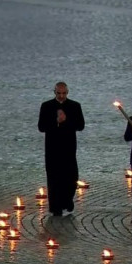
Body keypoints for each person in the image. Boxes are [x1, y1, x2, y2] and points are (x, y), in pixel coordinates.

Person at [37, 82, 85, 217]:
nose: (62, 96)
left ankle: (67, 201)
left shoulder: (75, 106)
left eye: (64, 93)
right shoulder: (46, 106)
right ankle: (55, 207)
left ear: (67, 92)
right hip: (52, 148)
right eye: (59, 93)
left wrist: (66, 120)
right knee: (53, 178)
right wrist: (56, 121)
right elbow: (41, 127)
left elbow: (80, 125)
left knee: (71, 177)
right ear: (55, 92)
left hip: (69, 148)